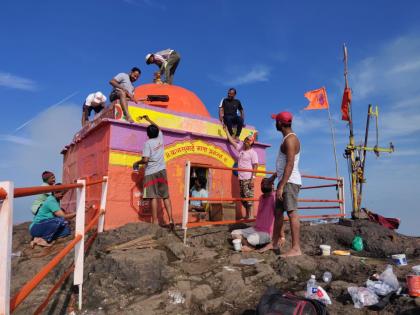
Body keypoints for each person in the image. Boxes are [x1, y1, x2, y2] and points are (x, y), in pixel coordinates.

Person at [260, 111, 302, 257]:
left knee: (292, 213)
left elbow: (289, 165)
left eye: (275, 121)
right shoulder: (286, 139)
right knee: (278, 213)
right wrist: (273, 179)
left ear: (279, 123)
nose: (274, 123)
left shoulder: (290, 140)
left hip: (289, 182)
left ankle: (296, 248)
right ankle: (275, 243)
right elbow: (283, 165)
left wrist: (282, 185)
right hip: (284, 181)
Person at [133, 115, 175, 228]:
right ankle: (171, 220)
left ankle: (155, 222)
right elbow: (158, 128)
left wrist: (137, 163)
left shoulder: (148, 143)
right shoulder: (160, 138)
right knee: (165, 196)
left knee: (153, 197)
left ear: (148, 134)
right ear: (156, 132)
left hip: (151, 172)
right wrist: (148, 119)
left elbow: (145, 159)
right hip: (162, 171)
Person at [231, 178, 276, 252]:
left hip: (267, 233)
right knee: (234, 233)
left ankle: (249, 244)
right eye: (262, 183)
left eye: (266, 183)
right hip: (256, 229)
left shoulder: (275, 197)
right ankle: (249, 245)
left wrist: (282, 237)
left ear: (272, 186)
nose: (263, 185)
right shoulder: (261, 197)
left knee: (251, 238)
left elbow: (280, 217)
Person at [224, 126, 258, 219]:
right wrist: (226, 130)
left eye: (247, 141)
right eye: (245, 140)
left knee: (249, 197)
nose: (245, 142)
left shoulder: (253, 153)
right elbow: (231, 141)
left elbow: (255, 166)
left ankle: (250, 215)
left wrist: (252, 179)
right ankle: (247, 215)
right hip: (241, 178)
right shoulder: (241, 149)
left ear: (251, 143)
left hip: (248, 178)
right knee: (243, 198)